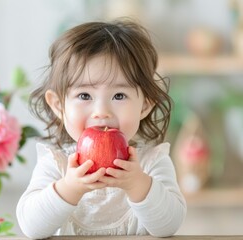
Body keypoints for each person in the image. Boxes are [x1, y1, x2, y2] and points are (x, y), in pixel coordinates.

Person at [16, 18, 187, 239]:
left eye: (119, 95)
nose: (101, 111)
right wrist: (69, 188)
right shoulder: (56, 163)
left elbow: (169, 226)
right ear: (58, 105)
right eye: (84, 95)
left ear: (145, 105)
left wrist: (138, 184)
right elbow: (31, 227)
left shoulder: (151, 162)